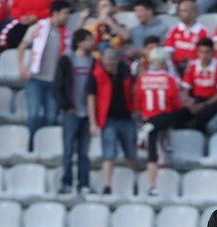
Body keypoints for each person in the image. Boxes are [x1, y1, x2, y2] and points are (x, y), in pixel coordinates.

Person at [18, 0, 71, 148]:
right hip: (35, 78)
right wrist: (22, 67)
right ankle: (30, 146)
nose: (67, 16)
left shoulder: (66, 33)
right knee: (33, 114)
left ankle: (46, 146)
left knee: (51, 117)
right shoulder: (38, 27)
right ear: (55, 13)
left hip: (54, 81)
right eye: (65, 13)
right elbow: (22, 46)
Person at [87, 47, 136, 196]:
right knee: (109, 153)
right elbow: (91, 98)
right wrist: (93, 122)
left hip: (126, 117)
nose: (110, 66)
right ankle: (107, 185)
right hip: (108, 118)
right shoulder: (96, 74)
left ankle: (132, 183)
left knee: (131, 153)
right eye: (108, 63)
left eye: (113, 63)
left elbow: (133, 90)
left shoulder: (125, 71)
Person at [134, 47, 181, 197]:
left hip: (148, 118)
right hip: (164, 117)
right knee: (154, 145)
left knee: (151, 152)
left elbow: (139, 101)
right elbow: (175, 102)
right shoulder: (169, 79)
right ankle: (168, 144)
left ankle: (152, 186)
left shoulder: (143, 78)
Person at [54, 28, 96, 194]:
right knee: (69, 150)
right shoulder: (66, 60)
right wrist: (65, 105)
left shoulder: (93, 61)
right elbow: (58, 85)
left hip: (87, 113)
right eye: (88, 40)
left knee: (84, 152)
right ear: (79, 42)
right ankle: (66, 182)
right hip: (71, 112)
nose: (92, 43)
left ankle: (83, 183)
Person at [177, 38, 217, 131]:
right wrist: (189, 103)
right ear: (197, 52)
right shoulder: (192, 65)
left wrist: (203, 105)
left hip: (211, 101)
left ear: (212, 52)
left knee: (201, 116)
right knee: (179, 114)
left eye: (207, 52)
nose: (204, 55)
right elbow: (186, 88)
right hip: (195, 99)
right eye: (201, 52)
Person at [163, 0, 208, 72]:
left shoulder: (203, 32)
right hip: (175, 69)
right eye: (180, 11)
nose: (180, 14)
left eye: (184, 11)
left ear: (193, 13)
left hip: (195, 70)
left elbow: (205, 54)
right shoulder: (174, 30)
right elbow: (168, 52)